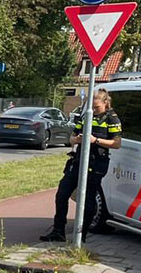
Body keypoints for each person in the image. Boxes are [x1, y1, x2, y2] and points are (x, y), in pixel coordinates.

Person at [40, 88, 121, 242]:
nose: (94, 110)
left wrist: (95, 140)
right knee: (62, 194)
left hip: (96, 163)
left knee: (88, 199)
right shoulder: (86, 116)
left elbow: (116, 143)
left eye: (97, 107)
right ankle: (58, 231)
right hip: (78, 160)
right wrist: (76, 139)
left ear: (106, 103)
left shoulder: (112, 119)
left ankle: (81, 236)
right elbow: (71, 138)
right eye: (92, 107)